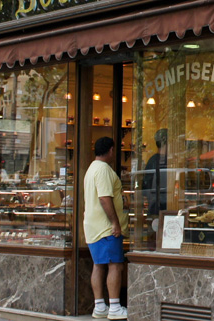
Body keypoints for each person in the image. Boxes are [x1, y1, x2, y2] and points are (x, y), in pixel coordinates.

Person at [84, 137, 128, 320]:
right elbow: (104, 198)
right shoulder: (103, 170)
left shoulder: (91, 168)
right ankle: (115, 307)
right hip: (106, 229)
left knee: (99, 265)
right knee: (115, 265)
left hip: (94, 227)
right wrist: (115, 223)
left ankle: (100, 306)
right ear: (111, 150)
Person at [143, 128, 168, 216]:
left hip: (154, 206)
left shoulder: (152, 161)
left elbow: (146, 185)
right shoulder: (170, 162)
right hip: (163, 206)